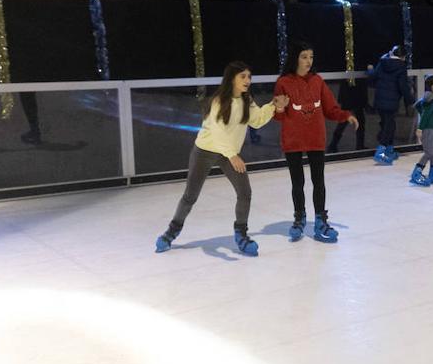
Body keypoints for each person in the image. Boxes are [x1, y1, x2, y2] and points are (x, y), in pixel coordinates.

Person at [155, 61, 289, 256]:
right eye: (243, 76)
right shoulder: (219, 101)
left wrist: (273, 106)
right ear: (231, 79)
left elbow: (257, 120)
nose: (247, 80)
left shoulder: (246, 100)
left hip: (228, 153)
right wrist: (233, 155)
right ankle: (171, 233)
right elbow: (219, 133)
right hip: (205, 151)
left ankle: (241, 235)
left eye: (249, 77)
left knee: (245, 192)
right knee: (190, 196)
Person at [274, 42, 359, 243]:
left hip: (315, 138)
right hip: (293, 139)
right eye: (304, 56)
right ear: (296, 58)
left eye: (311, 57)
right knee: (298, 182)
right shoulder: (284, 82)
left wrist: (345, 115)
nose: (308, 61)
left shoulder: (317, 81)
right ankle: (299, 218)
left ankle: (320, 220)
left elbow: (330, 108)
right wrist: (278, 109)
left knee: (318, 181)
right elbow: (279, 115)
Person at [367, 45, 414, 165]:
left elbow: (373, 76)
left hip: (380, 100)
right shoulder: (401, 67)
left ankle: (389, 150)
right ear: (402, 56)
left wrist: (370, 69)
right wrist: (410, 101)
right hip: (391, 101)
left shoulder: (383, 62)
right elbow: (403, 86)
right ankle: (381, 153)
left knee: (388, 125)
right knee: (389, 126)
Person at [410, 74, 433, 187]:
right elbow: (425, 115)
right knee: (429, 152)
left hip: (431, 129)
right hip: (427, 129)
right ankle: (416, 173)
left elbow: (418, 105)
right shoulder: (432, 99)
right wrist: (420, 129)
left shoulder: (430, 98)